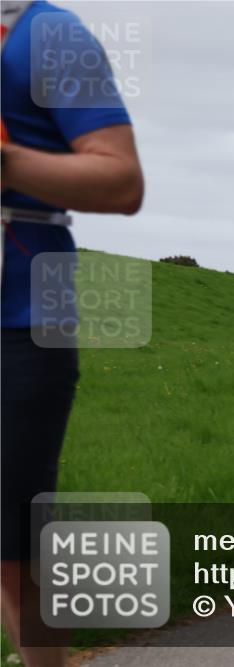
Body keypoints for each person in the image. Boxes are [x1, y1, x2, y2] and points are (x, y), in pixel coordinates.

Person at [2, 3, 144, 665]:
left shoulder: (47, 33)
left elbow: (121, 180)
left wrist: (5, 161)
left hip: (24, 317)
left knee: (14, 551)